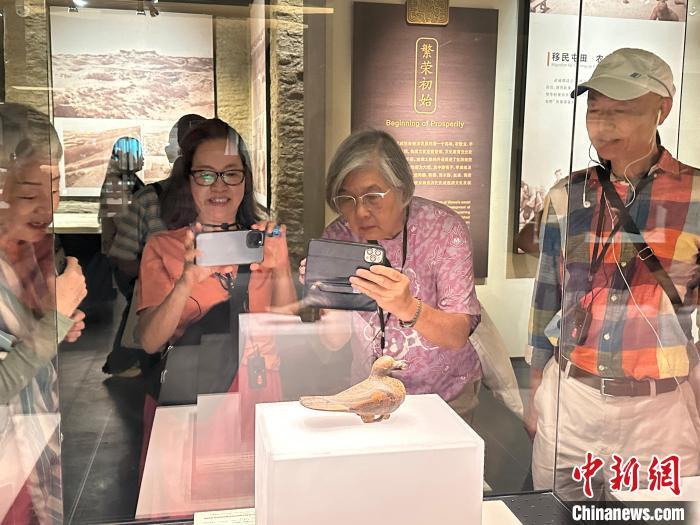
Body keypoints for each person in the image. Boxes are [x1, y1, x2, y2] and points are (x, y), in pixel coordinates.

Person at [527, 48, 700, 499]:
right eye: (595, 110)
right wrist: (537, 389)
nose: (603, 126)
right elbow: (548, 294)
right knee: (557, 515)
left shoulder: (696, 195)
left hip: (659, 413)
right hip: (573, 400)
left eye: (621, 111)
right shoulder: (568, 195)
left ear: (662, 109)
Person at [135, 118, 296, 467]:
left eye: (231, 173)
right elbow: (149, 341)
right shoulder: (165, 247)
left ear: (245, 179)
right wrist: (185, 283)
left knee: (258, 493)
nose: (219, 186)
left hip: (260, 390)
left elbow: (286, 334)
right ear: (188, 180)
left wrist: (281, 267)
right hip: (194, 392)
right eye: (206, 175)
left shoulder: (263, 242)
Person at [307, 129, 482, 420]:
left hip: (444, 395)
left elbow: (457, 335)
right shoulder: (339, 236)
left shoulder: (444, 229)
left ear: (402, 189)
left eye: (372, 196)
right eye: (346, 198)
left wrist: (408, 307)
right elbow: (333, 341)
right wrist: (327, 295)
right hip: (371, 395)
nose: (360, 212)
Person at [0, 103, 87, 524]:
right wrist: (54, 321)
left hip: (30, 453)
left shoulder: (27, 250)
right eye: (28, 194)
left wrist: (55, 323)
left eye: (54, 190)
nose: (47, 209)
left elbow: (22, 346)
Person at [102, 114, 205, 376]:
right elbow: (123, 256)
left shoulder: (221, 200)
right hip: (166, 317)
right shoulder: (148, 197)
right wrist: (155, 278)